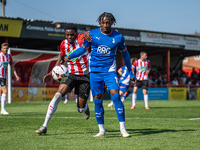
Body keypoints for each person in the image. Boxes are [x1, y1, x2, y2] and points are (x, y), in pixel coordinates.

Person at [66, 12, 135, 137]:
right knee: (97, 101)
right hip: (95, 72)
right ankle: (101, 130)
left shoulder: (118, 37)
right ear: (100, 23)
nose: (105, 25)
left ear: (112, 23)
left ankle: (123, 129)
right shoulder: (92, 34)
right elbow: (82, 50)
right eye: (102, 22)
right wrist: (69, 56)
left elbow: (126, 55)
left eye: (107, 23)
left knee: (116, 97)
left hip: (109, 71)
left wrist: (131, 72)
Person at [35, 23, 90, 135]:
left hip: (85, 76)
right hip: (70, 74)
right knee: (57, 95)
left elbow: (87, 35)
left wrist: (86, 33)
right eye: (67, 35)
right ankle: (44, 125)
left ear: (76, 33)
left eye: (72, 34)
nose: (70, 37)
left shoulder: (80, 39)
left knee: (80, 109)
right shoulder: (63, 44)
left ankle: (84, 107)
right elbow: (61, 59)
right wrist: (51, 72)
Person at [0, 43, 19, 114]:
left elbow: (12, 66)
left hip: (4, 76)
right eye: (4, 48)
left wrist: (16, 75)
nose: (6, 49)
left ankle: (2, 109)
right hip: (0, 76)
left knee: (1, 93)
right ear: (1, 49)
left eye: (6, 48)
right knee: (5, 91)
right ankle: (3, 109)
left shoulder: (9, 56)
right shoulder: (0, 55)